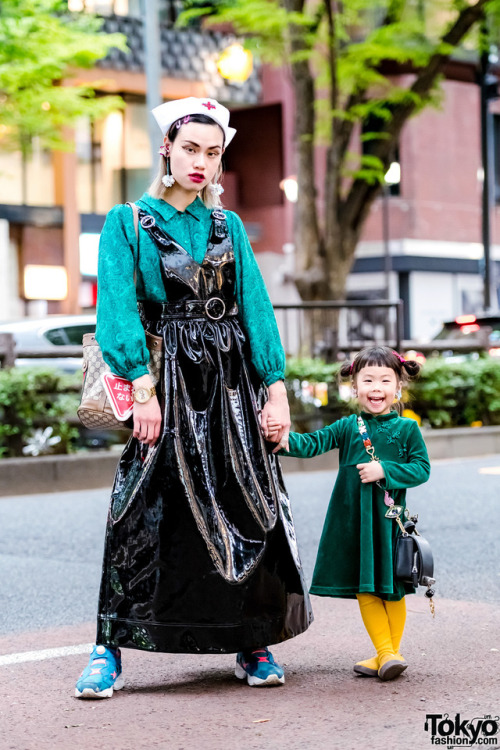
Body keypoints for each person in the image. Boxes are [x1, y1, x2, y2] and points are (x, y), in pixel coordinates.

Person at [75, 97, 312, 699]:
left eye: (213, 152)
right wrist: (144, 391)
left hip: (232, 381)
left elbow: (254, 306)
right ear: (167, 150)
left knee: (243, 502)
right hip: (168, 379)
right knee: (140, 505)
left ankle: (249, 639)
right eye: (190, 149)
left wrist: (275, 387)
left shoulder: (228, 226)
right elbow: (117, 314)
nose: (202, 162)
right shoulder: (126, 221)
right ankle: (109, 646)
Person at [277, 346, 430, 681]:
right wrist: (281, 437)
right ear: (355, 387)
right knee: (366, 587)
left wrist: (384, 470)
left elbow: (422, 469)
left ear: (398, 388)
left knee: (393, 587)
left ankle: (387, 653)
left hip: (389, 524)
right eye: (369, 380)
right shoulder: (348, 426)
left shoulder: (407, 430)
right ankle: (387, 654)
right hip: (355, 524)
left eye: (385, 380)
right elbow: (311, 444)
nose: (377, 387)